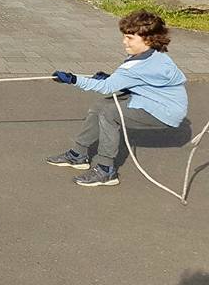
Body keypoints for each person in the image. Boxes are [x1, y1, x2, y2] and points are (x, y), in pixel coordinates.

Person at [46, 10, 189, 187]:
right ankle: (78, 155)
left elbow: (108, 87)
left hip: (165, 111)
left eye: (129, 38)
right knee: (100, 106)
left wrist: (72, 79)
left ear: (148, 39)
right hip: (152, 100)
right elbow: (141, 81)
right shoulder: (154, 54)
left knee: (110, 112)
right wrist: (111, 78)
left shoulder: (138, 66)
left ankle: (106, 171)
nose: (124, 41)